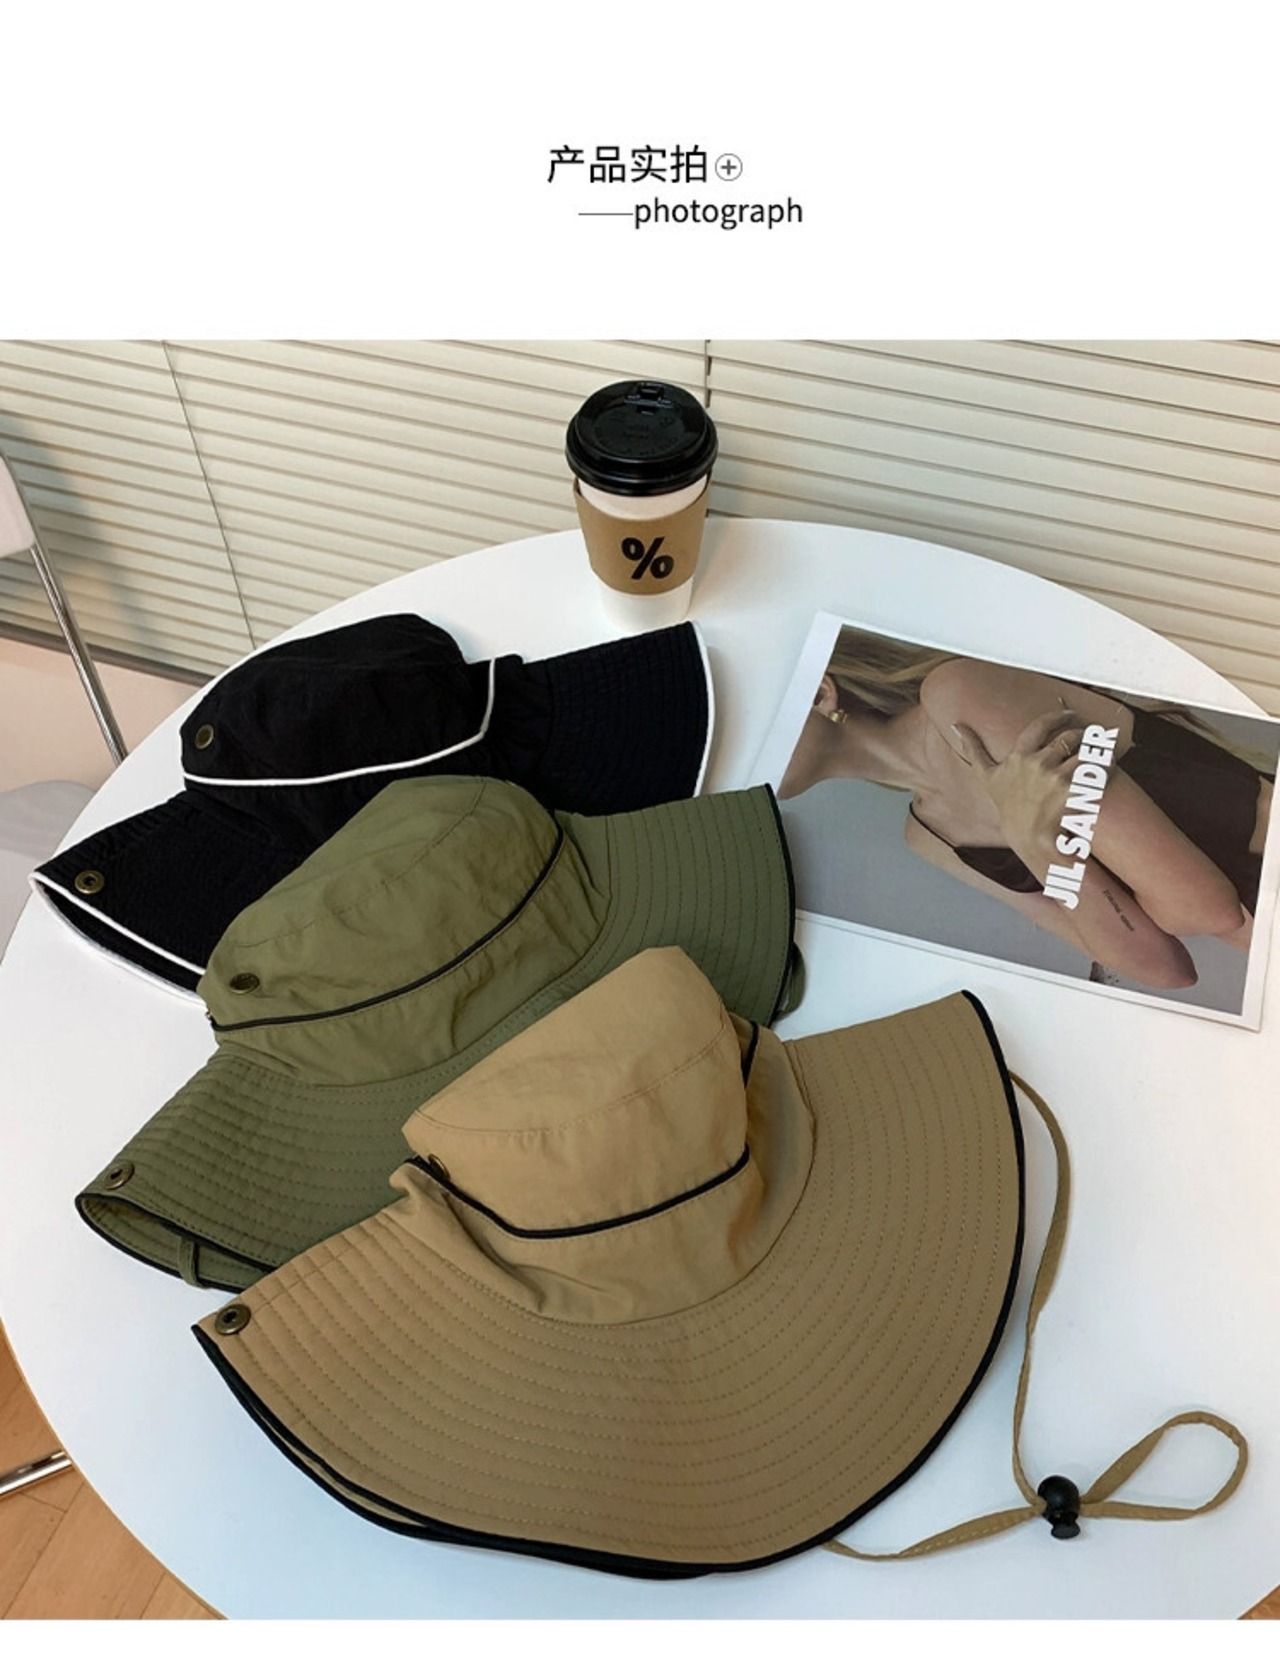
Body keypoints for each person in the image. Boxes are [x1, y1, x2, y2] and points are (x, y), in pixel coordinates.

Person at [776, 630, 1274, 991]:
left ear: (820, 693)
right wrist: (1033, 840)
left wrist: (1065, 868)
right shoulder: (928, 836)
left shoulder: (959, 696)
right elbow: (1161, 968)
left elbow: (1205, 907)